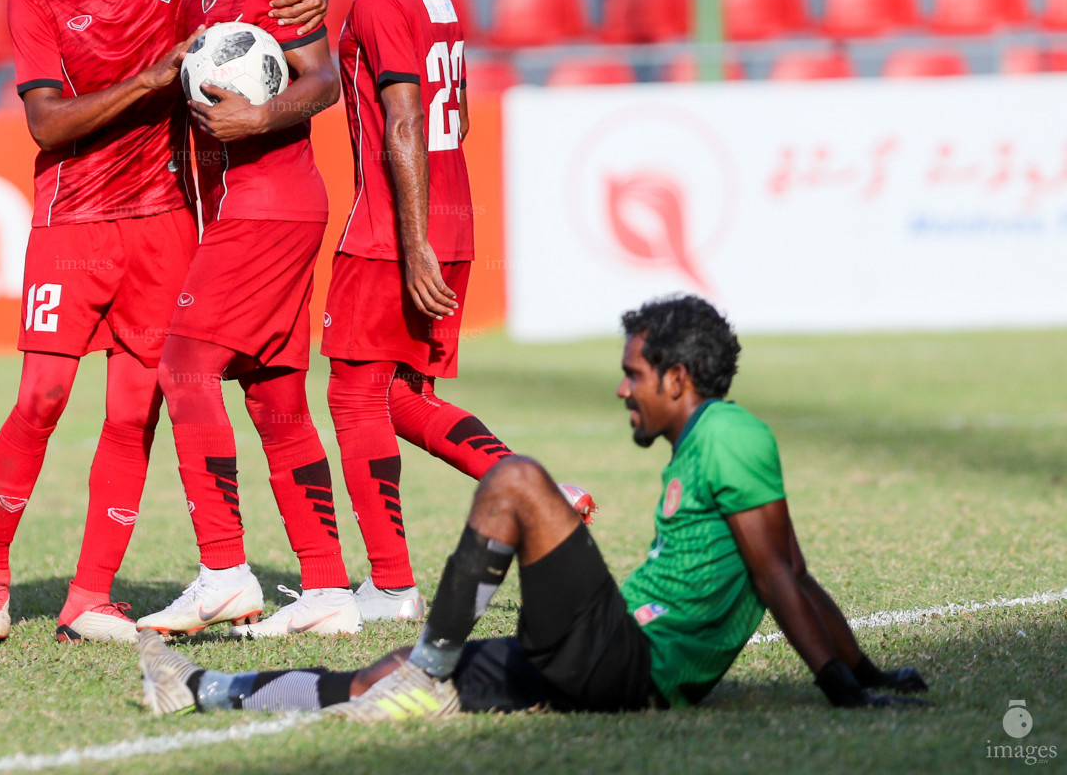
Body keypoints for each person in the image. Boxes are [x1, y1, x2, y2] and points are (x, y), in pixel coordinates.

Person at [137, 294, 932, 717]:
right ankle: (206, 690)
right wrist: (868, 672)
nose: (622, 389)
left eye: (633, 373)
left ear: (677, 380)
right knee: (384, 675)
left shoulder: (728, 435)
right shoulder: (704, 441)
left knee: (515, 481)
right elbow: (791, 567)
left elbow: (777, 576)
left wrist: (842, 687)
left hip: (633, 665)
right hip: (608, 658)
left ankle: (432, 664)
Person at [0, 0, 336, 645]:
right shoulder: (35, 0)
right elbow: (48, 127)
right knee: (43, 399)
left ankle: (89, 595)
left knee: (136, 410)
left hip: (166, 217)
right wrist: (154, 77)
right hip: (75, 218)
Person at [323, 0, 594, 623]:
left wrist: (408, 243)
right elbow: (458, 114)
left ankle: (388, 583)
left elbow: (403, 120)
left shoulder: (375, 3)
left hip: (392, 228)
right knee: (401, 397)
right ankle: (544, 490)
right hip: (452, 214)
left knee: (351, 396)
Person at [134, 0, 356, 639]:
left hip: (270, 197)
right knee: (274, 397)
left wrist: (256, 118)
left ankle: (225, 569)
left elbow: (322, 79)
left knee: (184, 367)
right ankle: (329, 590)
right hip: (253, 204)